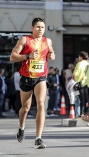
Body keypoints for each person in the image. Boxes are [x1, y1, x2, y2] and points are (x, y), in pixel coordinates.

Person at [10, 17, 55, 149]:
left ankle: (38, 138)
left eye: (42, 27)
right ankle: (21, 127)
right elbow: (12, 57)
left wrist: (52, 55)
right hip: (26, 77)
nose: (40, 29)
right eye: (37, 27)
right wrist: (27, 56)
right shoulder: (25, 40)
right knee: (25, 108)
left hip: (41, 77)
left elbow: (51, 51)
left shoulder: (48, 41)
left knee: (41, 103)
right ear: (32, 28)